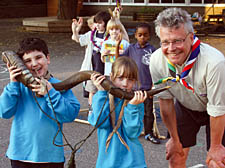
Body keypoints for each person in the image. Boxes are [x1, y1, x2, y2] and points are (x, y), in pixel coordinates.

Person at [149, 8, 225, 168]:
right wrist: (174, 140)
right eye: (165, 42)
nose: (171, 48)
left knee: (217, 162)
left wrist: (215, 147)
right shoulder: (156, 60)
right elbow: (166, 101)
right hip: (187, 106)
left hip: (220, 110)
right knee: (176, 157)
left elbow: (217, 111)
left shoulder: (214, 62)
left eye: (177, 41)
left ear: (191, 37)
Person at [0, 37, 81, 168]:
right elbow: (4, 112)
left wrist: (51, 93)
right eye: (27, 61)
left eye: (38, 57)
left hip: (51, 158)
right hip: (20, 156)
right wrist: (13, 85)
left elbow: (70, 114)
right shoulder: (18, 87)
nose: (34, 64)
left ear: (47, 58)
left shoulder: (59, 86)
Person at [88, 56, 147, 168]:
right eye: (120, 78)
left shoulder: (136, 101)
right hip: (107, 163)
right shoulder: (100, 97)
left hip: (134, 163)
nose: (125, 83)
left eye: (130, 79)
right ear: (112, 77)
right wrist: (101, 93)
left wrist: (132, 107)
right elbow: (99, 123)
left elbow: (132, 133)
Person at [120, 22, 160, 144]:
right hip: (132, 88)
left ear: (149, 36)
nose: (142, 37)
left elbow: (156, 70)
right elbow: (120, 60)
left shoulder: (152, 50)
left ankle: (149, 133)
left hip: (147, 89)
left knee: (148, 113)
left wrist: (154, 86)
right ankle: (128, 131)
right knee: (131, 110)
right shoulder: (131, 49)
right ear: (135, 35)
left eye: (145, 35)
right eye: (140, 35)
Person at [71, 11, 111, 105]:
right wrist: (75, 30)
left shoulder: (110, 37)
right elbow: (77, 39)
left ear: (106, 23)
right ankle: (91, 109)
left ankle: (104, 110)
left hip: (105, 70)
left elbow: (113, 57)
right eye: (96, 22)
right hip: (92, 69)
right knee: (92, 90)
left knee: (106, 91)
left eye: (100, 23)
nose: (97, 25)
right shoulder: (91, 34)